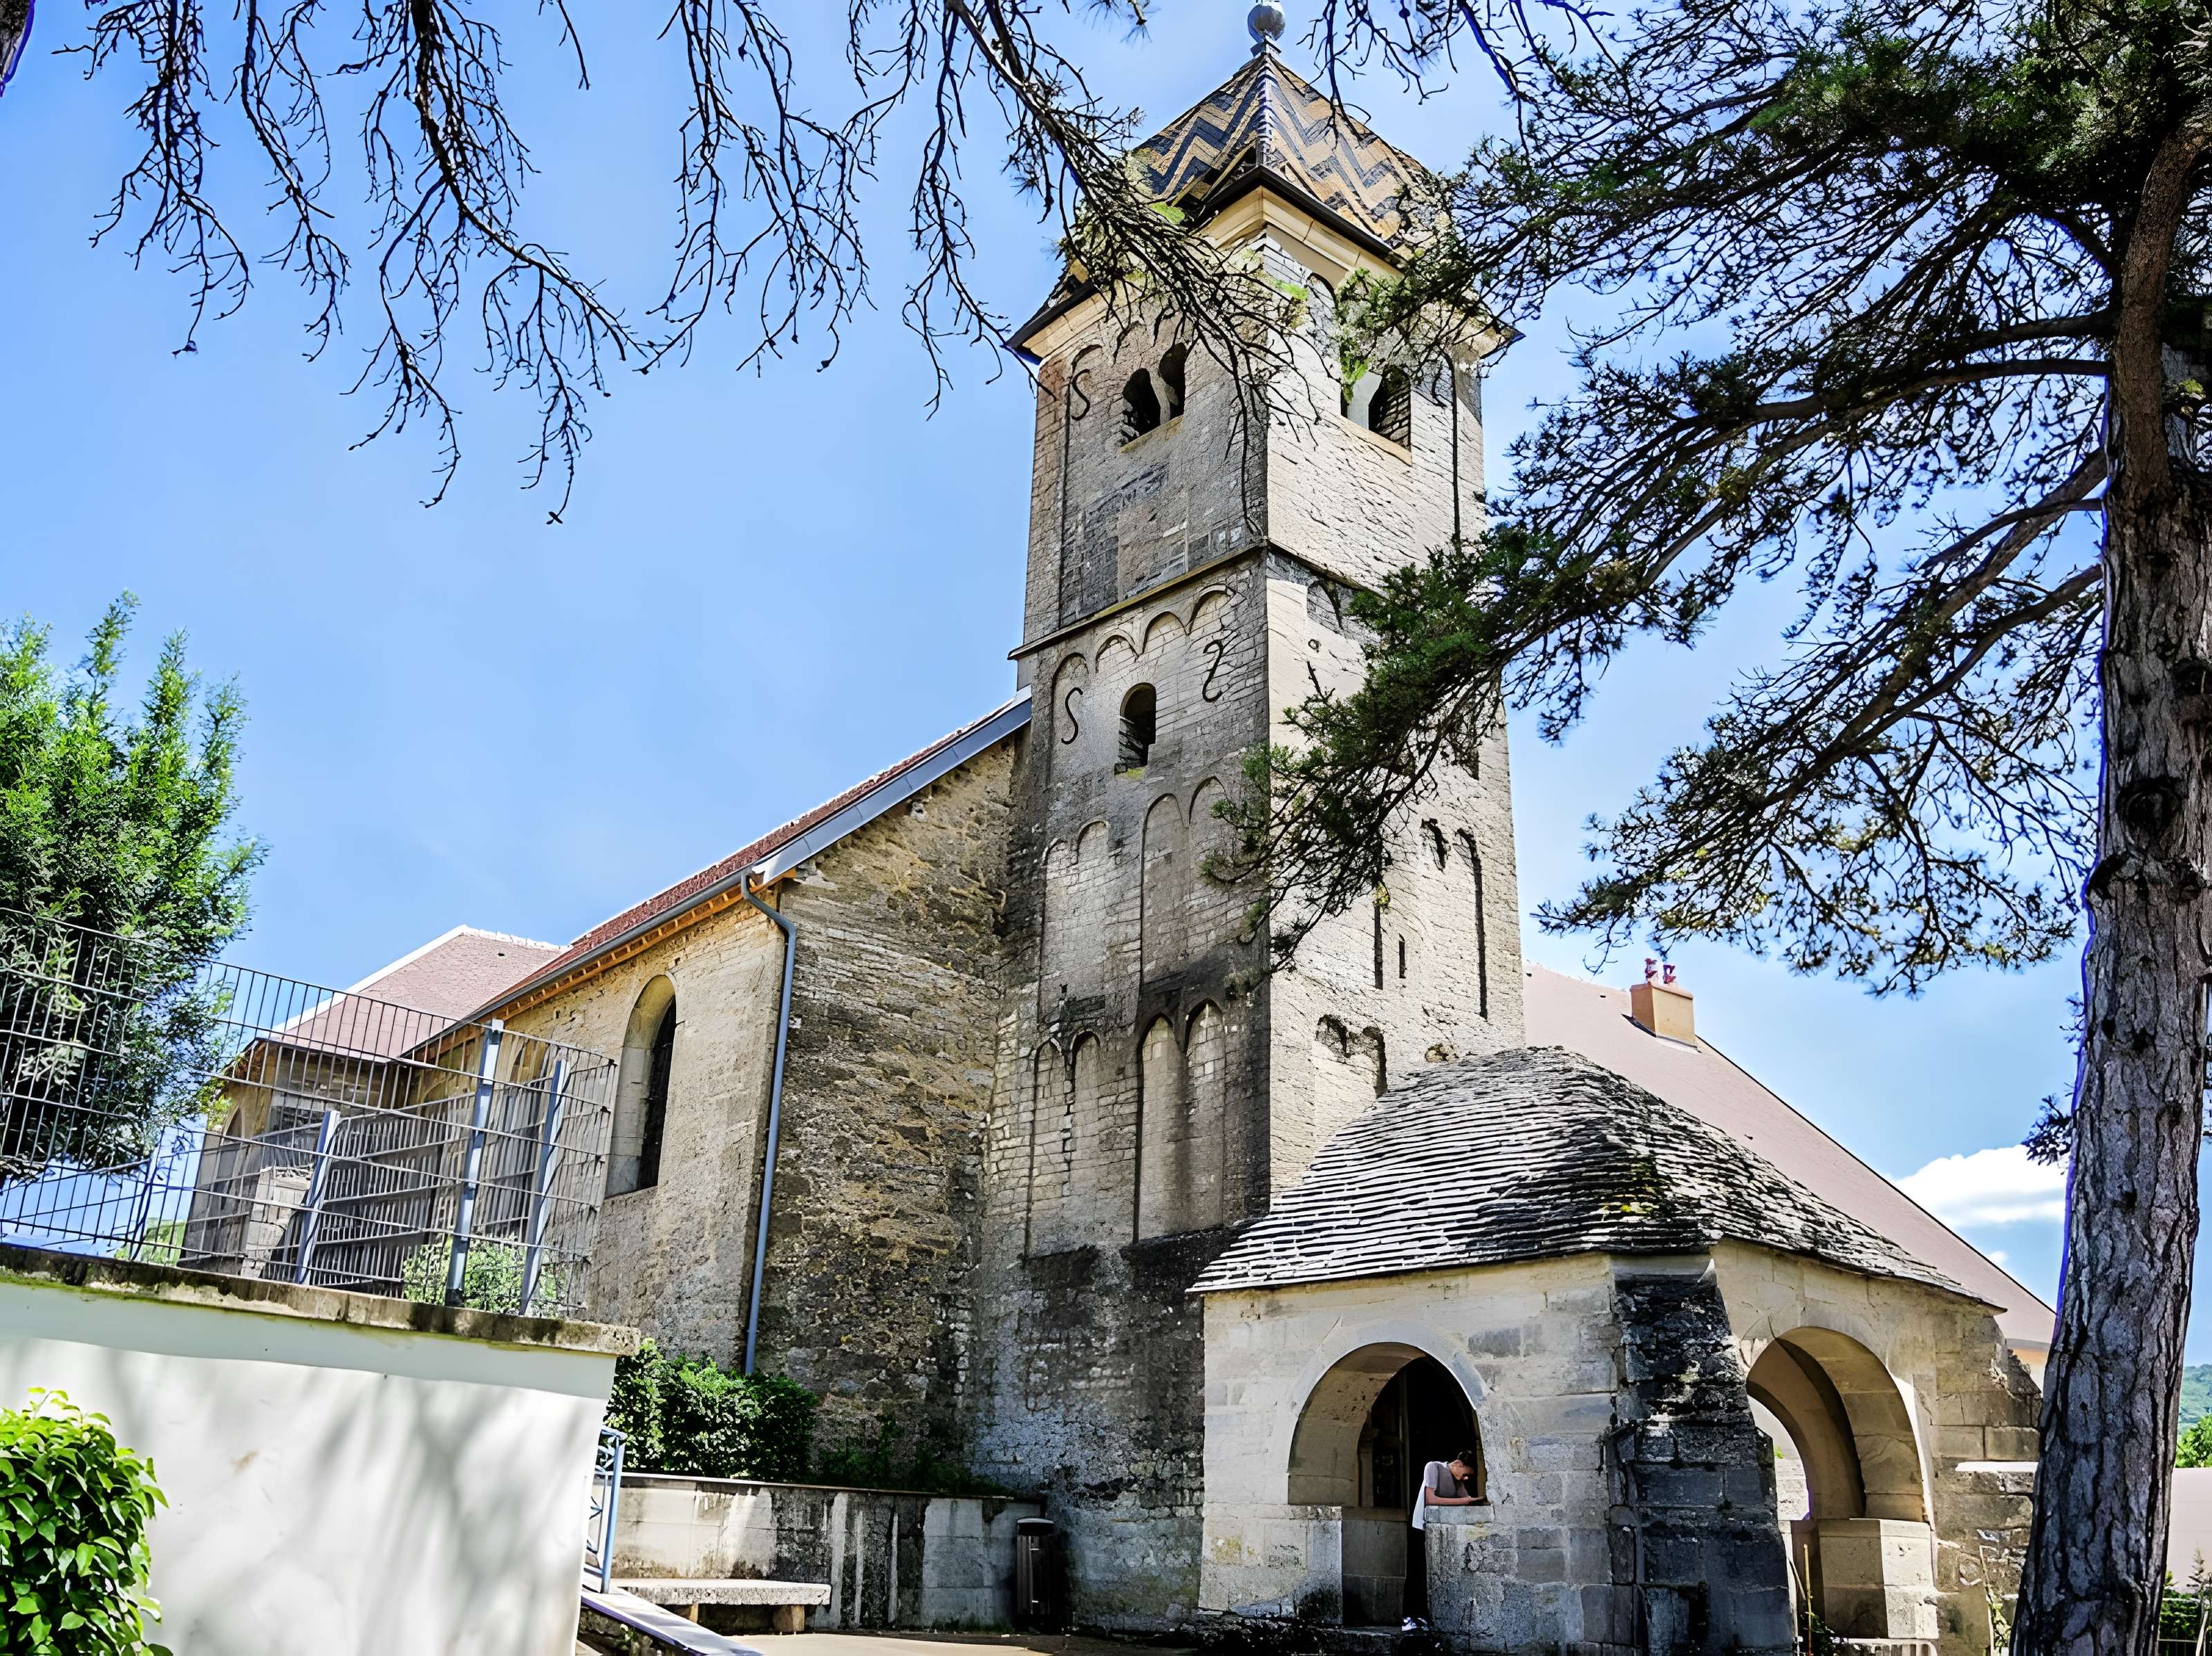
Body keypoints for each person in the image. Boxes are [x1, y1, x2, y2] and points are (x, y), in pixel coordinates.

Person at [1403, 1451, 1479, 1629]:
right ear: (1458, 1464)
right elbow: (1431, 1499)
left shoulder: (1458, 1482)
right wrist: (1465, 1502)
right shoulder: (1434, 1467)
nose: (1466, 1478)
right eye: (1466, 1473)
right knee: (1418, 1572)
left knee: (1433, 1575)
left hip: (1440, 1531)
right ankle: (1408, 1617)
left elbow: (1467, 1500)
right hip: (1421, 1527)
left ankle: (1424, 1618)